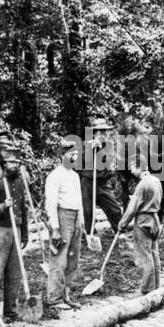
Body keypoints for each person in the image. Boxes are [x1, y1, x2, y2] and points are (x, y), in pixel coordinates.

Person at [0, 146, 29, 324]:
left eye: (17, 162)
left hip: (15, 231)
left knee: (14, 274)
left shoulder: (19, 183)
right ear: (4, 164)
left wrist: (24, 234)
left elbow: (23, 210)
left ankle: (11, 312)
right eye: (10, 162)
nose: (14, 165)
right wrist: (3, 206)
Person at [44, 141, 84, 314]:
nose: (74, 158)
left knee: (73, 259)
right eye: (70, 155)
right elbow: (50, 203)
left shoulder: (74, 176)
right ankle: (54, 298)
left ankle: (66, 295)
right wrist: (56, 227)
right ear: (62, 156)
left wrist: (81, 221)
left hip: (75, 217)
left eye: (76, 155)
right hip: (62, 217)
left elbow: (79, 201)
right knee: (59, 258)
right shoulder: (55, 176)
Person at [119, 154, 164, 292]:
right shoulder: (156, 180)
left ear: (139, 167)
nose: (131, 170)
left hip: (144, 220)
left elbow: (133, 207)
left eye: (132, 167)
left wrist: (122, 223)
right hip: (155, 219)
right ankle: (156, 286)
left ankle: (147, 290)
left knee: (143, 256)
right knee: (153, 253)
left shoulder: (142, 184)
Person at [80, 116, 125, 240]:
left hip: (103, 181)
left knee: (113, 207)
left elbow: (109, 162)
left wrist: (99, 149)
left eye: (104, 131)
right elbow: (80, 163)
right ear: (94, 133)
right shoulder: (85, 145)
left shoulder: (109, 145)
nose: (102, 134)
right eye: (99, 131)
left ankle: (119, 229)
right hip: (88, 181)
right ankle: (89, 234)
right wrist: (90, 149)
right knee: (88, 209)